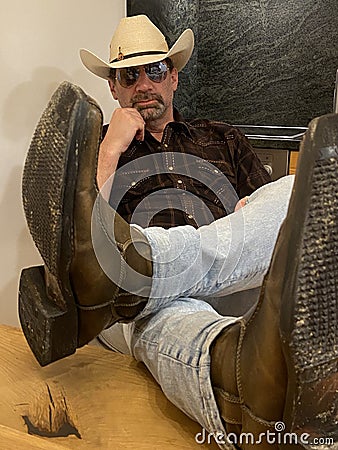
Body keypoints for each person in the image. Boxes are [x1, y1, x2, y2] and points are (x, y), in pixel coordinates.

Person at [18, 17, 337, 450]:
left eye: (154, 70)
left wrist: (251, 215)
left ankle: (133, 274)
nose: (143, 83)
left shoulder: (220, 137)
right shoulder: (98, 152)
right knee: (159, 312)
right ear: (114, 87)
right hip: (149, 314)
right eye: (129, 74)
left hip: (231, 286)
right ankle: (239, 375)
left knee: (298, 188)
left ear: (173, 77)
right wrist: (111, 149)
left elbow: (274, 228)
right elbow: (80, 231)